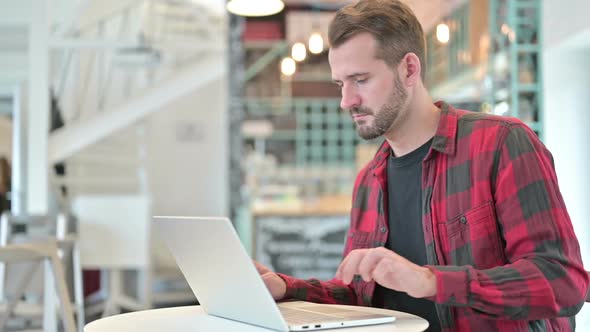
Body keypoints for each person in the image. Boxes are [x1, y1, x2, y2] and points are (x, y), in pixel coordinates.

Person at [255, 0, 589, 331]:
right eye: (341, 84)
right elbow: (362, 297)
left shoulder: (501, 144)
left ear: (409, 69)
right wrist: (284, 288)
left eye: (360, 79)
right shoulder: (369, 181)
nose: (346, 101)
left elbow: (563, 281)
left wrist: (430, 281)